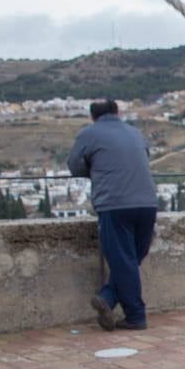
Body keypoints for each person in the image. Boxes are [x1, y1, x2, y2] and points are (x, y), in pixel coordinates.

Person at [67, 99, 159, 332]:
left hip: (115, 204)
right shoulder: (135, 133)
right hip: (148, 203)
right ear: (118, 112)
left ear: (92, 116)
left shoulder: (89, 134)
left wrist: (100, 170)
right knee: (131, 259)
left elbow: (75, 166)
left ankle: (135, 315)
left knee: (123, 260)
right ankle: (107, 298)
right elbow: (144, 159)